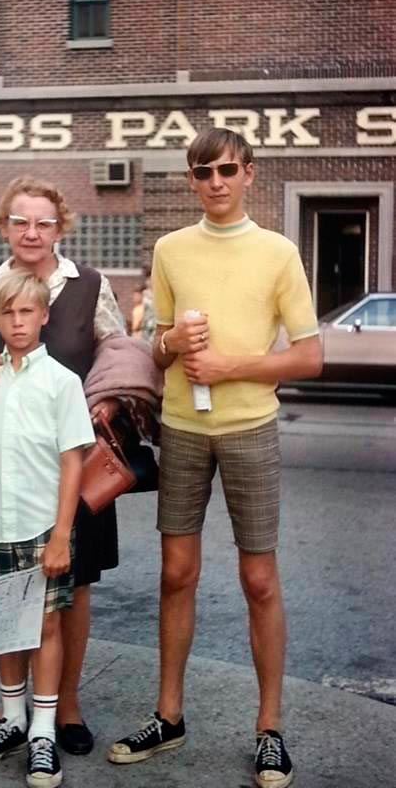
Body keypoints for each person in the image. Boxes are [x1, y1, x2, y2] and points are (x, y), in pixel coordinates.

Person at [108, 128, 322, 788]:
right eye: (203, 173)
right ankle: (169, 717)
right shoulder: (172, 249)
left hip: (251, 427)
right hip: (182, 427)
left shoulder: (278, 252)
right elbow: (158, 349)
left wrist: (235, 364)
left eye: (227, 169)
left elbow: (310, 357)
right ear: (192, 180)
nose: (216, 182)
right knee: (176, 572)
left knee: (259, 579)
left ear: (250, 173)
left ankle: (268, 729)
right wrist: (169, 338)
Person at [0, 175, 126, 756]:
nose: (32, 232)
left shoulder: (90, 285)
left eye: (44, 222)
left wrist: (105, 399)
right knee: (12, 585)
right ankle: (9, 711)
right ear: (3, 226)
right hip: (13, 465)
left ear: (61, 227)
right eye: (20, 221)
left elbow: (117, 350)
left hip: (76, 459)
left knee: (72, 585)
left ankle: (67, 707)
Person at [0, 270, 95, 788]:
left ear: (44, 315)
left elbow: (73, 462)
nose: (17, 321)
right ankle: (12, 719)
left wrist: (61, 534)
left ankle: (44, 732)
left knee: (47, 627)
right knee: (6, 625)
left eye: (26, 311)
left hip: (42, 526)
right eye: (6, 313)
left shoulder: (62, 382)